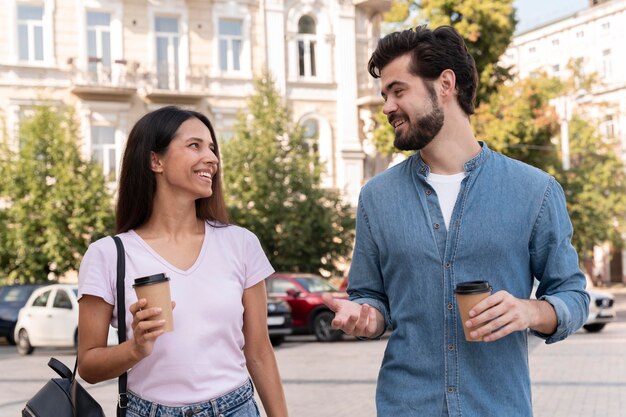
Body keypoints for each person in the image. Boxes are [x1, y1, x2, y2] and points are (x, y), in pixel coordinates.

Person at [322, 25, 589, 417]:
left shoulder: (535, 190)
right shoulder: (376, 198)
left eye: (398, 91)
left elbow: (573, 296)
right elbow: (370, 297)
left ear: (445, 84)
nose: (387, 107)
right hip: (405, 406)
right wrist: (366, 316)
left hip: (498, 407)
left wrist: (529, 311)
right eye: (385, 95)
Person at [77, 106, 288, 417]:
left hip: (235, 409)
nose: (212, 159)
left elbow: (259, 353)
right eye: (195, 146)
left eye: (212, 148)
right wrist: (136, 348)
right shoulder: (108, 255)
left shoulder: (241, 243)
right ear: (155, 160)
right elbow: (89, 366)